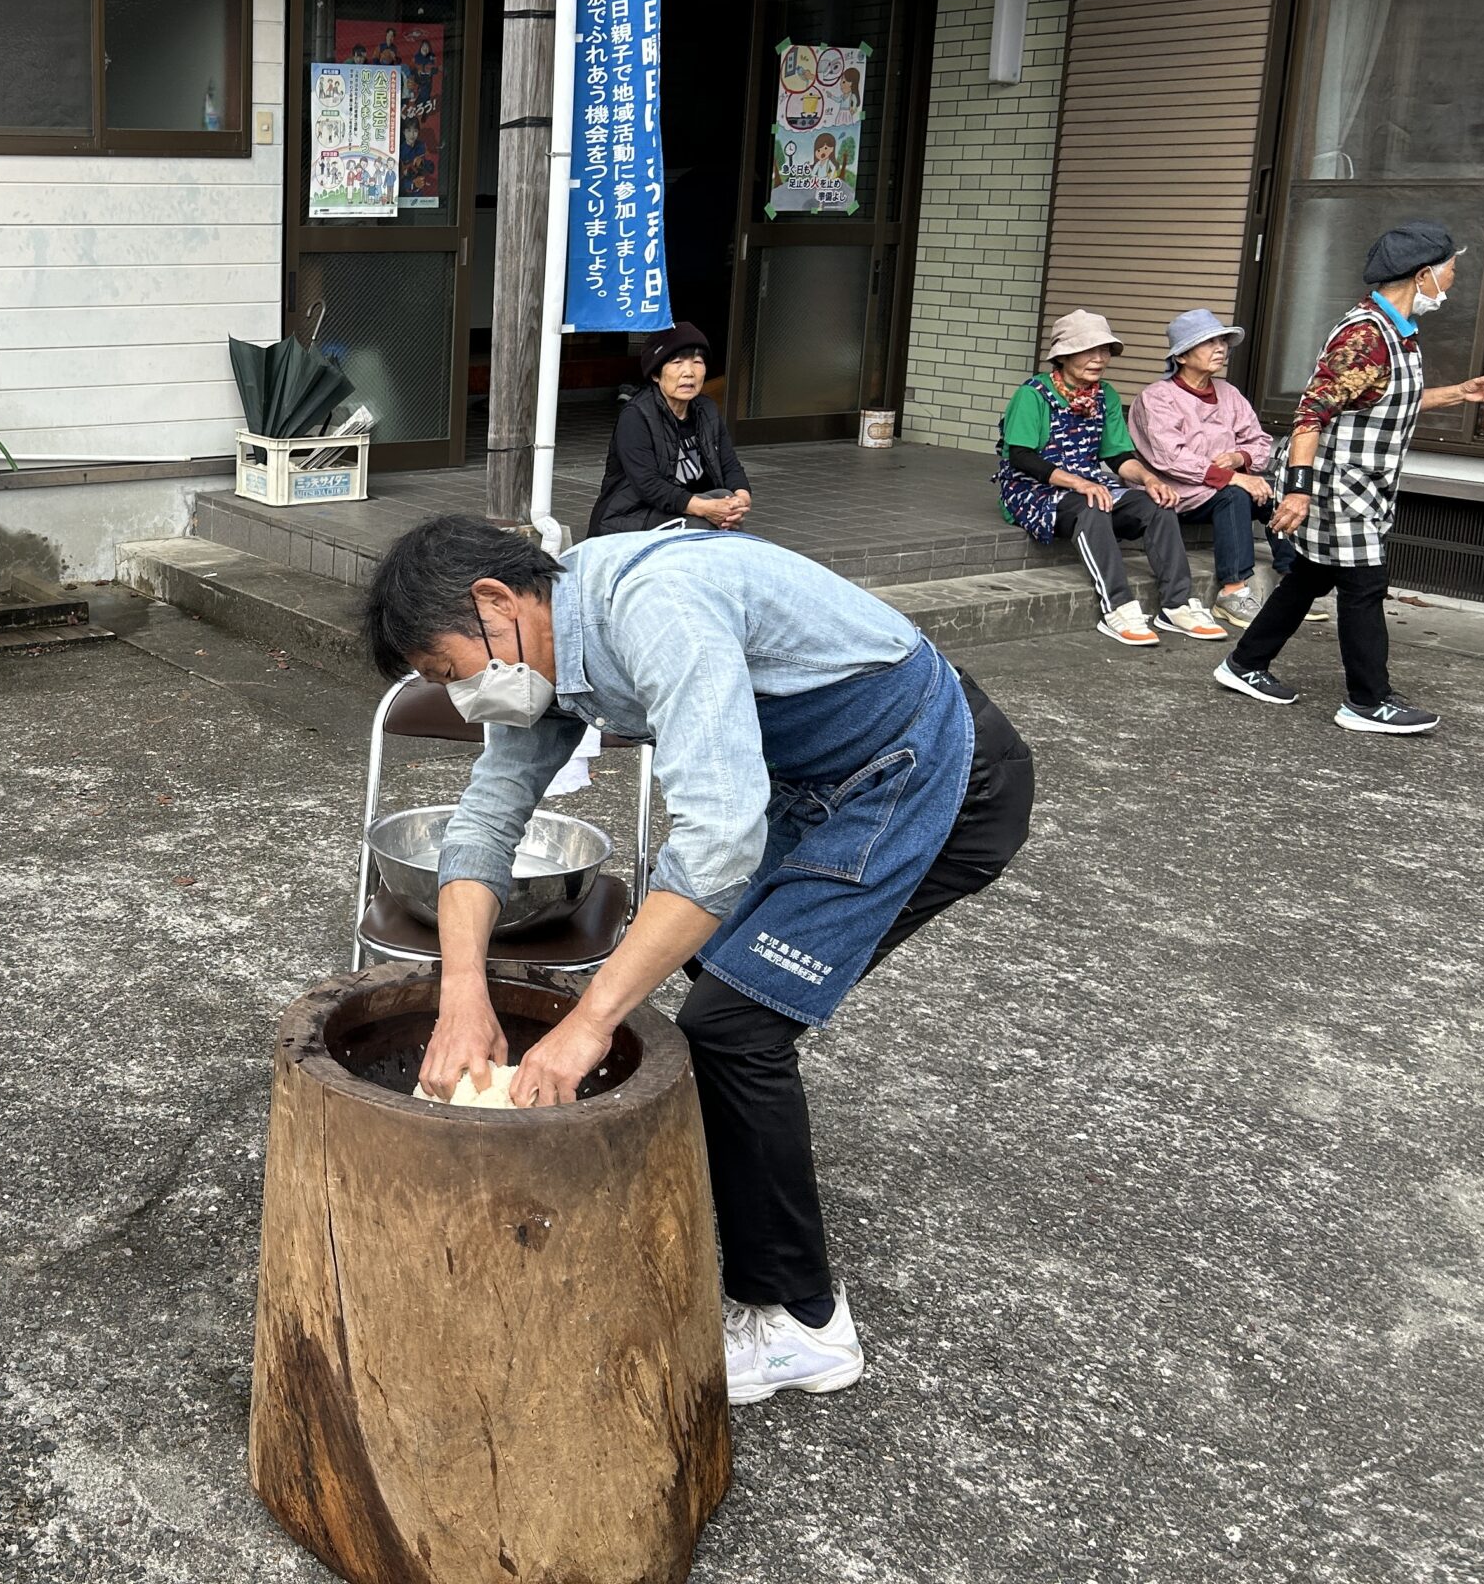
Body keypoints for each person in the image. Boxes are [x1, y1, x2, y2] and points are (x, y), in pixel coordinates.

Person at [363, 516, 1034, 1405]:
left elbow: (716, 844)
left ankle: (801, 1324)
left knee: (734, 1024)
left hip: (930, 775)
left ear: (494, 602)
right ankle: (736, 1208)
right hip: (816, 785)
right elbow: (487, 821)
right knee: (708, 971)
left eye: (451, 672)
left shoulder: (656, 609)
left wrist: (585, 1027)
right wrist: (460, 993)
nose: (461, 699)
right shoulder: (545, 646)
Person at [1216, 224, 1484, 734]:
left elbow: (1381, 399)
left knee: (1312, 576)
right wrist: (1296, 489)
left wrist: (1460, 394)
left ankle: (1244, 663)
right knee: (1365, 584)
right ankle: (1368, 701)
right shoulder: (1365, 335)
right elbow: (1310, 414)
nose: (1454, 278)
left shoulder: (1397, 330)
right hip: (1335, 482)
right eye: (1452, 268)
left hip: (1359, 481)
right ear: (1423, 274)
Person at [995, 309, 1225, 647]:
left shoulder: (1106, 395)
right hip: (1033, 489)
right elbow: (1022, 457)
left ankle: (1177, 604)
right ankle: (1117, 606)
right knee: (1092, 506)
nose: (1099, 358)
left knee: (1156, 504)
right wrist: (1079, 483)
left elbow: (1116, 456)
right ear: (1063, 355)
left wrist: (1149, 480)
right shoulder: (1033, 394)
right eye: (1089, 350)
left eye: (1104, 350)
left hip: (1089, 483)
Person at [1128, 308, 1304, 629]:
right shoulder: (1157, 398)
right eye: (1208, 343)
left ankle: (1295, 580)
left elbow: (1259, 442)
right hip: (1178, 494)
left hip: (1221, 486)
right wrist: (1234, 477)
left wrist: (1240, 460)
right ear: (1181, 356)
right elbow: (1172, 458)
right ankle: (1233, 592)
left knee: (1277, 495)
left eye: (1222, 341)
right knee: (1235, 494)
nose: (1220, 348)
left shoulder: (1229, 393)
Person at [588, 321, 750, 537]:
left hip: (678, 509)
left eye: (697, 362)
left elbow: (730, 465)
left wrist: (740, 499)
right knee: (701, 524)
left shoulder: (707, 409)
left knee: (724, 500)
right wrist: (703, 508)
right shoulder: (636, 415)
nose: (689, 372)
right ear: (656, 374)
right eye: (676, 363)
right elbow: (649, 484)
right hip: (627, 518)